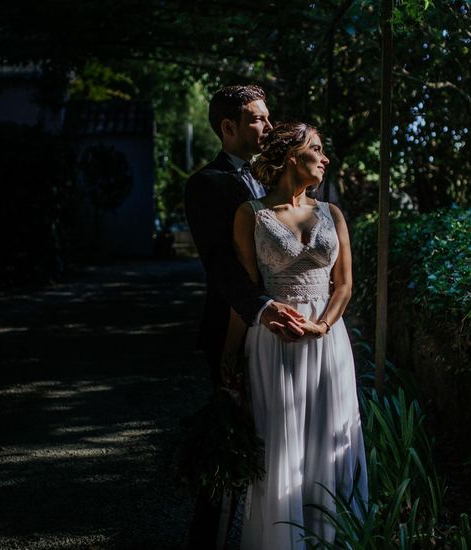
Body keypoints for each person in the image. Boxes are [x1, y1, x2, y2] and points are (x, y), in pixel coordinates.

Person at [233, 122, 368, 548]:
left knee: (329, 439)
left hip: (328, 340)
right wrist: (228, 355)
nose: (325, 158)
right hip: (274, 341)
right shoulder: (250, 214)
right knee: (281, 445)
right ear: (293, 154)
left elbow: (344, 285)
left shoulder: (333, 213)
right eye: (317, 149)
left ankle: (332, 539)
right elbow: (245, 291)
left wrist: (322, 325)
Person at [184, 85, 306, 549]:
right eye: (257, 119)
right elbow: (219, 265)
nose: (268, 127)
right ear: (228, 127)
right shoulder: (207, 184)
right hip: (234, 329)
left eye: (268, 117)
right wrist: (260, 309)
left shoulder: (273, 178)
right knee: (229, 446)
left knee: (280, 437)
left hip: (284, 328)